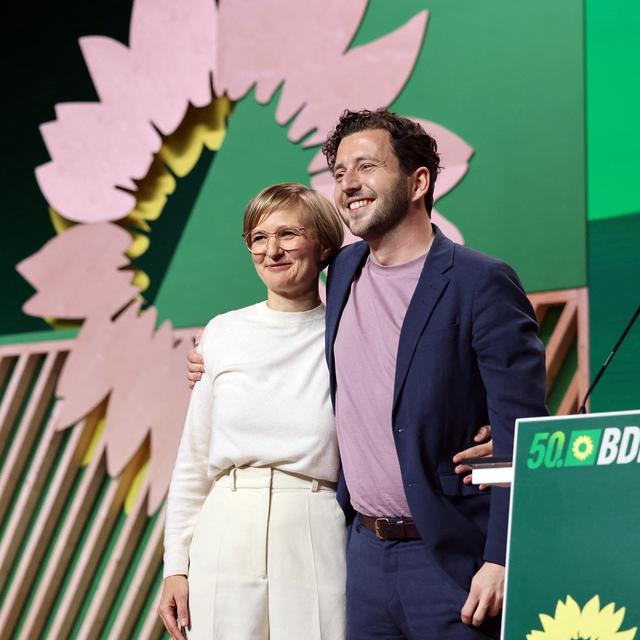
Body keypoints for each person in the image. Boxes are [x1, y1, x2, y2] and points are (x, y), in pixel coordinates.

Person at [187, 109, 547, 639]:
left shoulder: (481, 281)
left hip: (451, 560)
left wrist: (502, 558)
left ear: (418, 181)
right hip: (362, 559)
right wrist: (209, 355)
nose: (347, 183)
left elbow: (520, 434)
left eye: (365, 166)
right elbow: (284, 324)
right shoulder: (342, 272)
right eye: (338, 172)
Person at [159, 183, 347, 640]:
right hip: (226, 525)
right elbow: (193, 458)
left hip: (315, 525)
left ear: (323, 243)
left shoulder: (348, 330)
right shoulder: (222, 332)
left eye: (288, 234)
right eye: (258, 237)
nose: (272, 250)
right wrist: (175, 566)